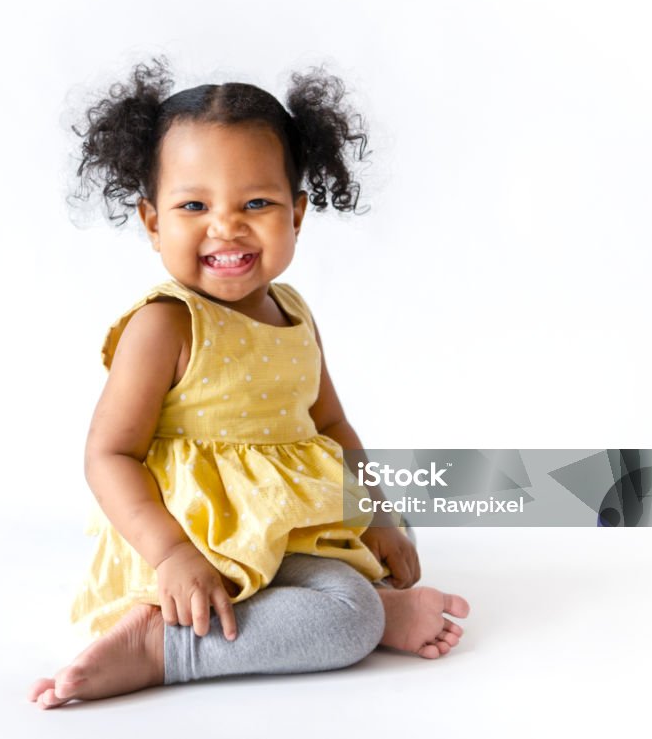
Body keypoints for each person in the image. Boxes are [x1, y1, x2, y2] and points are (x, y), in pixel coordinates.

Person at [27, 56, 470, 708]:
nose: (227, 225)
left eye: (256, 203)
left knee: (366, 565)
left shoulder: (293, 313)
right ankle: (163, 646)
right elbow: (108, 454)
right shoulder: (166, 325)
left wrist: (373, 513)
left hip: (278, 524)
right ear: (154, 221)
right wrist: (173, 553)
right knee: (342, 617)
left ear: (298, 213)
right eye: (194, 205)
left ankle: (375, 607)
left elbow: (331, 425)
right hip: (191, 533)